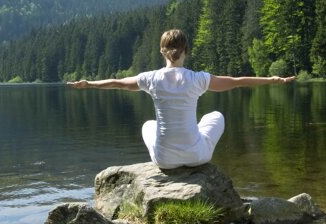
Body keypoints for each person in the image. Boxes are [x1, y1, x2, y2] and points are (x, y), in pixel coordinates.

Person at [67, 29, 295, 169]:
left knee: (148, 124)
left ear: (162, 52)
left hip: (164, 160)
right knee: (215, 115)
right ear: (186, 50)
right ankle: (190, 139)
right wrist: (272, 79)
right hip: (197, 156)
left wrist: (89, 84)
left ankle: (180, 142)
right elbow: (237, 81)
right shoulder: (198, 79)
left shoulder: (151, 79)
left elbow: (117, 83)